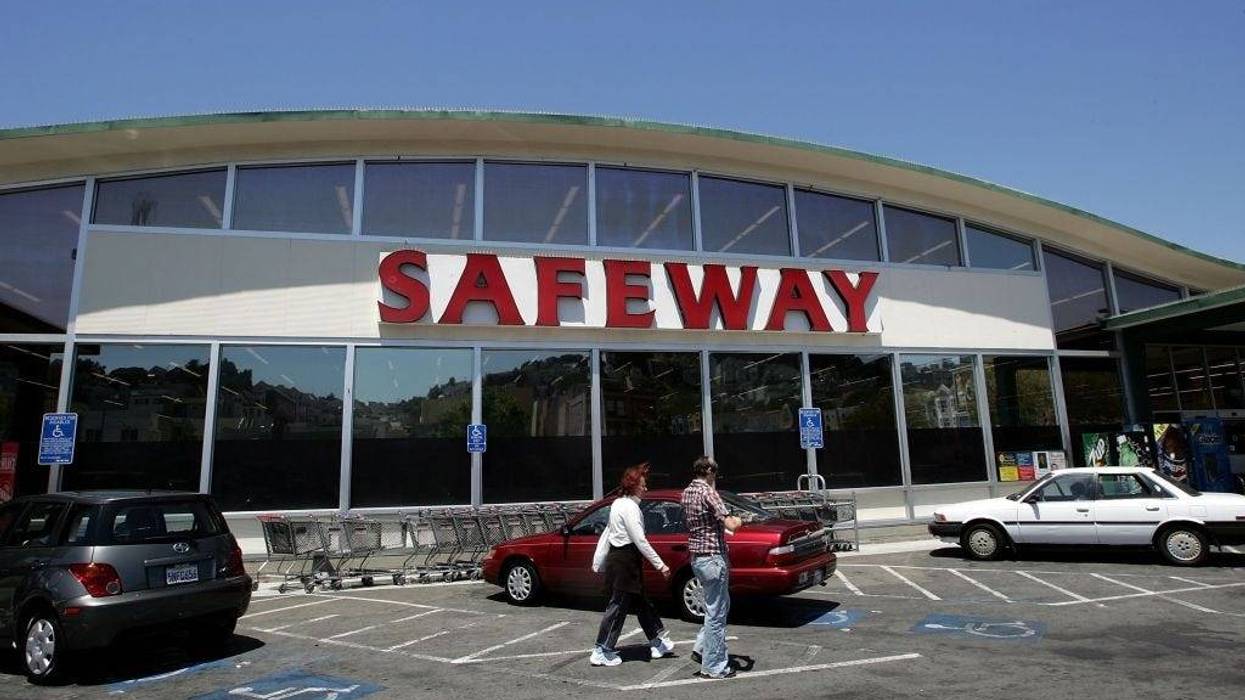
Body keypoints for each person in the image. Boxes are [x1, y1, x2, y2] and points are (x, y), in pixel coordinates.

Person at [589, 462, 675, 667]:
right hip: (626, 561)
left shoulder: (618, 503)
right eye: (643, 484)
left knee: (640, 602)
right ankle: (602, 649)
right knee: (618, 606)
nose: (646, 488)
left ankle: (657, 642)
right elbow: (640, 540)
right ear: (633, 485)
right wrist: (661, 565)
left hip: (620, 560)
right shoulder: (630, 508)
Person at [681, 455, 742, 679]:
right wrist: (740, 520)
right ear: (708, 471)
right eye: (714, 472)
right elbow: (730, 524)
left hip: (697, 557)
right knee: (716, 613)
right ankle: (714, 666)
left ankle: (701, 648)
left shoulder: (687, 492)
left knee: (718, 605)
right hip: (713, 557)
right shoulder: (708, 492)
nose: (715, 476)